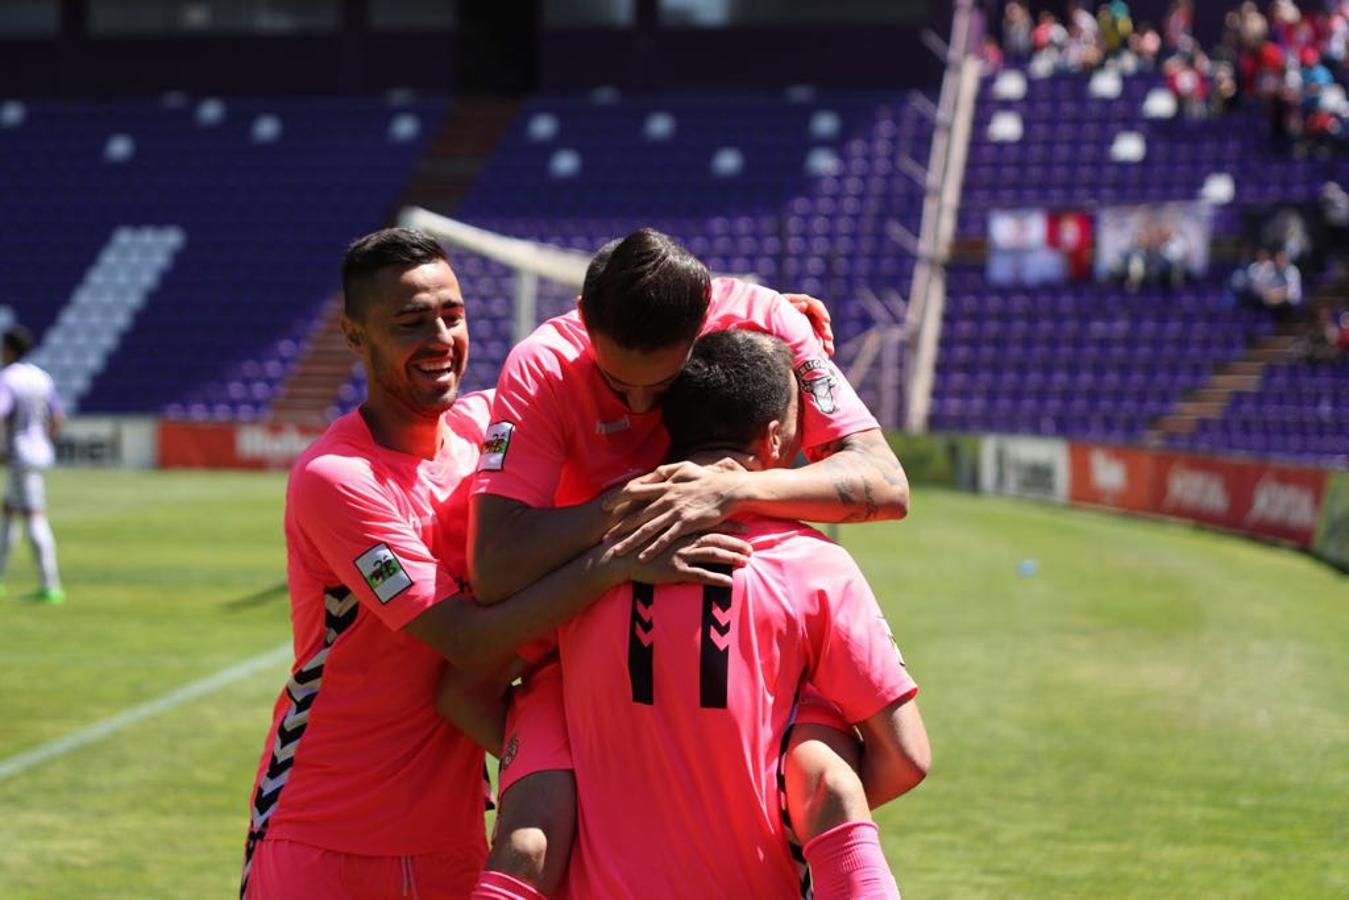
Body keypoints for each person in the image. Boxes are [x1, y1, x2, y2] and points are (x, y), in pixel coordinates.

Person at [240, 228, 747, 899]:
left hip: (453, 838)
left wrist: (767, 324)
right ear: (355, 337)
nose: (441, 338)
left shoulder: (490, 432)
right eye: (410, 322)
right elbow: (463, 636)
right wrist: (617, 561)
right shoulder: (337, 478)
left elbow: (635, 325)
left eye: (452, 315)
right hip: (325, 833)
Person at [462, 229, 911, 897]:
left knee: (820, 767)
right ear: (585, 319)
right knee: (531, 836)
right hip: (582, 626)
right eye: (617, 385)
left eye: (663, 386)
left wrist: (739, 488)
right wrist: (620, 515)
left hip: (742, 614)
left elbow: (886, 484)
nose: (641, 410)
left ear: (705, 322)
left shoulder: (768, 322)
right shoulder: (544, 364)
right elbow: (493, 565)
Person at [559, 329, 930, 898]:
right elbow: (906, 757)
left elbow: (480, 690)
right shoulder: (812, 565)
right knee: (821, 731)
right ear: (776, 436)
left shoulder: (584, 559)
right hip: (757, 880)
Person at [0, 325, 65, 603]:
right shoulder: (42, 378)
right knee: (9, 511)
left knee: (33, 515)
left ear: (10, 349)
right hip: (39, 452)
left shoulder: (8, 378)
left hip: (19, 454)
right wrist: (46, 442)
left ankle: (51, 586)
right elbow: (58, 417)